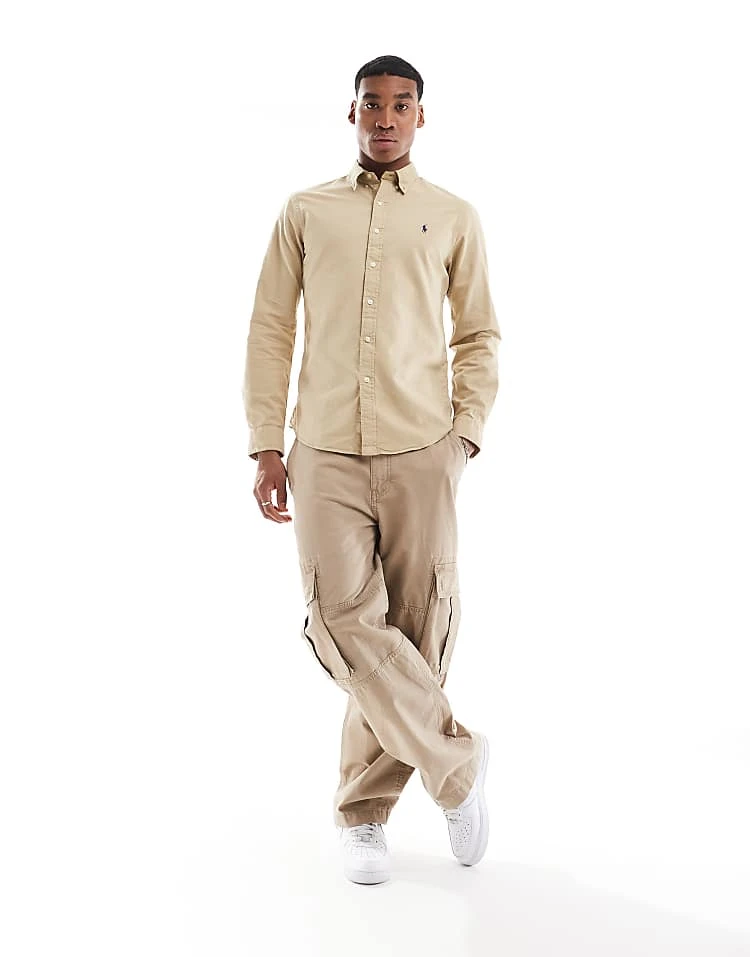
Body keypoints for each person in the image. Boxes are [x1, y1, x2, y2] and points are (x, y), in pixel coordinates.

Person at [242, 54, 501, 885]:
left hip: (424, 448)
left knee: (416, 631)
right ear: (350, 112)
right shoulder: (305, 211)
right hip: (323, 450)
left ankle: (362, 813)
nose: (385, 117)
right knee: (342, 620)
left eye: (401, 104)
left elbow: (478, 334)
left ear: (421, 116)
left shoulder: (453, 216)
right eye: (371, 104)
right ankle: (456, 764)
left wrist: (464, 435)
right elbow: (271, 327)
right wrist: (266, 440)